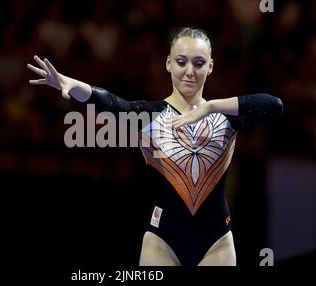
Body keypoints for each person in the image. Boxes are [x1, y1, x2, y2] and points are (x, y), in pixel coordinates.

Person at [27, 28, 283, 266]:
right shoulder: (148, 116)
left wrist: (212, 106)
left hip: (216, 243)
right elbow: (113, 103)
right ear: (168, 63)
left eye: (199, 63)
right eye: (181, 62)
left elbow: (274, 106)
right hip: (162, 242)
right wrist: (74, 86)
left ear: (211, 66)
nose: (189, 71)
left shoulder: (225, 116)